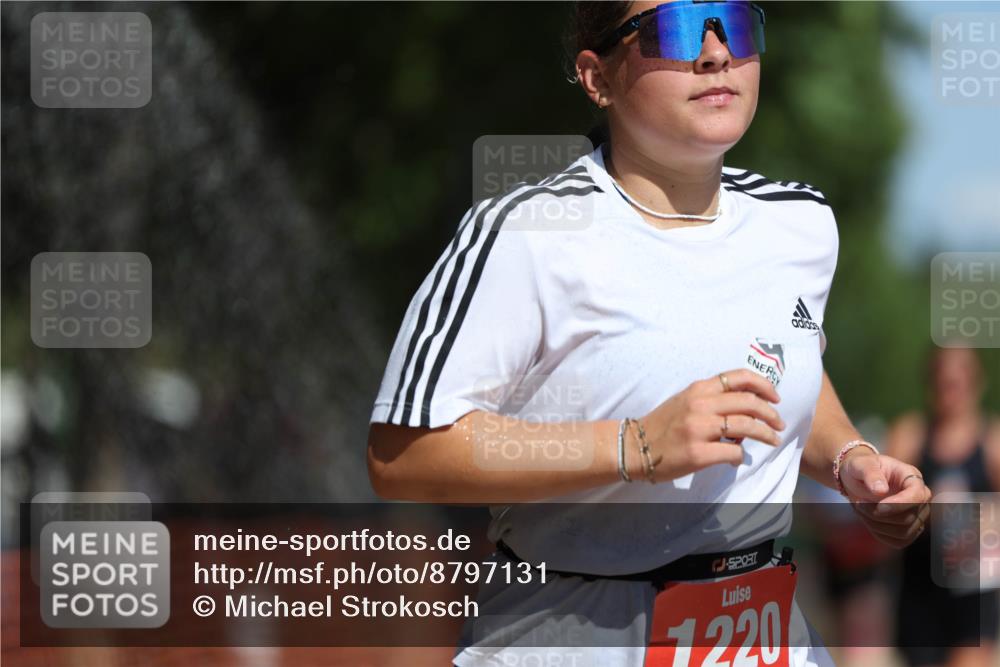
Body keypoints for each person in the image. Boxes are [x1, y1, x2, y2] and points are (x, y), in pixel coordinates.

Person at [367, 2, 931, 665]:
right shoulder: (527, 232)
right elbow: (403, 455)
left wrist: (850, 461)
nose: (716, 53)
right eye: (677, 29)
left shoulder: (801, 224)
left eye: (734, 24)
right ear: (597, 76)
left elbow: (790, 363)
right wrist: (633, 446)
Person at [886, 346, 1000, 667]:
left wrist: (975, 519)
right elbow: (881, 509)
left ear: (976, 383)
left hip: (973, 593)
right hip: (920, 589)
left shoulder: (992, 442)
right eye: (943, 383)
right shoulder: (909, 437)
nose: (951, 393)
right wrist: (927, 510)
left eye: (959, 383)